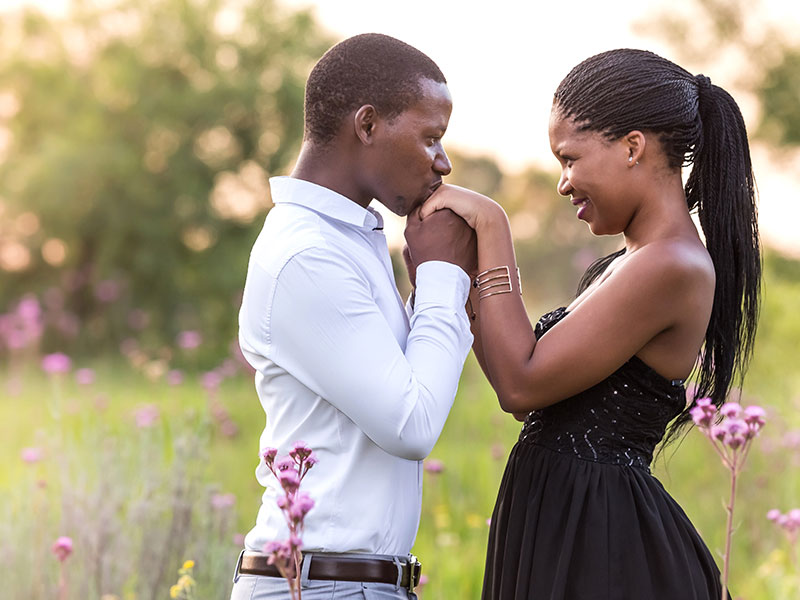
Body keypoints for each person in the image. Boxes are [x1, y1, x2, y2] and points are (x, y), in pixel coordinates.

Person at [419, 49, 760, 599]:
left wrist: (492, 226)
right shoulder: (632, 262)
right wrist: (460, 272)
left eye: (569, 158)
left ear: (632, 146)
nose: (563, 183)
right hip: (569, 522)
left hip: (602, 541)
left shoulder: (671, 263)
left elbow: (519, 384)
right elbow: (528, 391)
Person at [230, 33, 477, 600]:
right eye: (430, 137)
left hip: (344, 584)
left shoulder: (347, 241)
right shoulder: (307, 254)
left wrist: (431, 291)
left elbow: (395, 388)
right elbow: (411, 426)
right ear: (367, 125)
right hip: (319, 586)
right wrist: (442, 278)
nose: (443, 161)